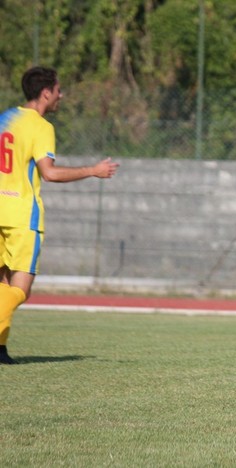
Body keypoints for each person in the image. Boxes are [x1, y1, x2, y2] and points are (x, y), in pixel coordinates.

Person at [0, 66, 119, 364]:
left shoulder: (4, 118)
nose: (61, 96)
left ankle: (0, 350)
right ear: (45, 93)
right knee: (19, 290)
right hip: (20, 215)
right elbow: (49, 173)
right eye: (58, 90)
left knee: (2, 285)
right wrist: (93, 170)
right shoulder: (40, 126)